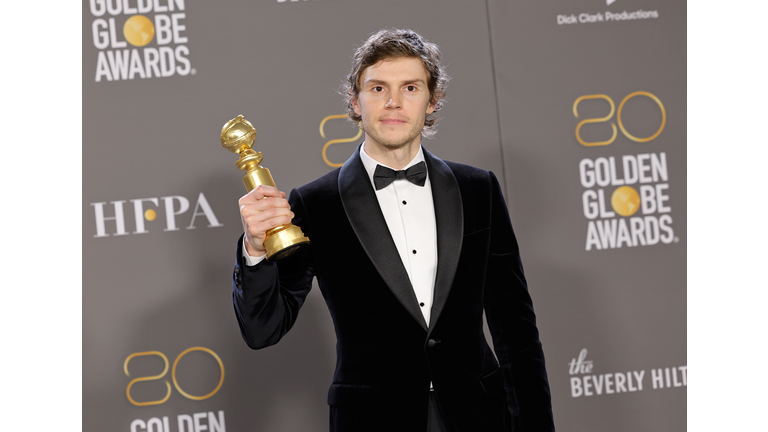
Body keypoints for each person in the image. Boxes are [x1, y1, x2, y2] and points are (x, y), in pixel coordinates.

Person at [232, 28, 555, 432]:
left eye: (410, 87)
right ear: (355, 99)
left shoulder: (478, 190)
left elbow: (516, 331)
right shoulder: (315, 204)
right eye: (378, 87)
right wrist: (255, 248)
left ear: (432, 100)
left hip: (479, 414)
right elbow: (263, 328)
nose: (393, 102)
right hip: (371, 419)